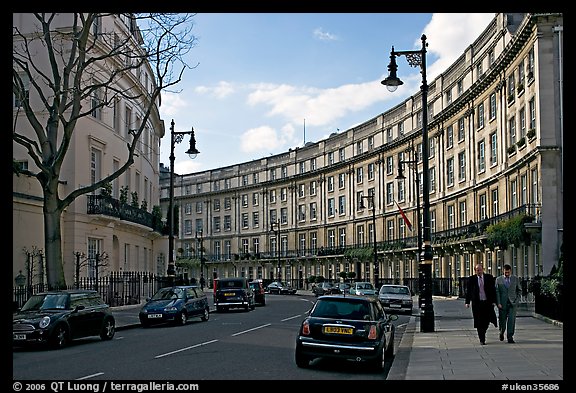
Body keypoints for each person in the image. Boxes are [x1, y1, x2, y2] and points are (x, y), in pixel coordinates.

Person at [465, 263, 497, 345]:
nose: (478, 271)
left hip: (487, 302)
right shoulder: (471, 279)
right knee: (479, 321)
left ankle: (483, 331)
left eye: (480, 269)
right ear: (475, 271)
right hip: (477, 303)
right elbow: (468, 291)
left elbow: (493, 290)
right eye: (477, 270)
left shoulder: (489, 278)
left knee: (486, 320)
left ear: (483, 269)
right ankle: (482, 338)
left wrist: (494, 301)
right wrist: (467, 302)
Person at [495, 264, 522, 343]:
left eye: (508, 272)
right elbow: (497, 292)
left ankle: (510, 336)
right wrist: (498, 303)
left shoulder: (515, 279)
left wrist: (517, 301)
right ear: (503, 271)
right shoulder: (498, 279)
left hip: (512, 303)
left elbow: (519, 290)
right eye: (505, 272)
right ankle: (501, 332)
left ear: (510, 271)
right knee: (502, 320)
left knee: (511, 320)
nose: (507, 274)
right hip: (502, 304)